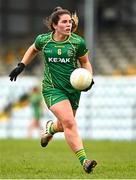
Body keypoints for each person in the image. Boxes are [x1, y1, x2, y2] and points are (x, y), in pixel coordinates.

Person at [9, 7, 97, 173]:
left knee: (64, 126)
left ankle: (50, 128)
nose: (68, 24)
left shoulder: (77, 42)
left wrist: (89, 79)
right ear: (55, 25)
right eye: (64, 22)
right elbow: (33, 48)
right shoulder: (44, 40)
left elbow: (85, 63)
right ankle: (84, 161)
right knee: (70, 123)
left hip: (72, 90)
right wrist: (21, 65)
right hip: (52, 89)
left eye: (70, 21)